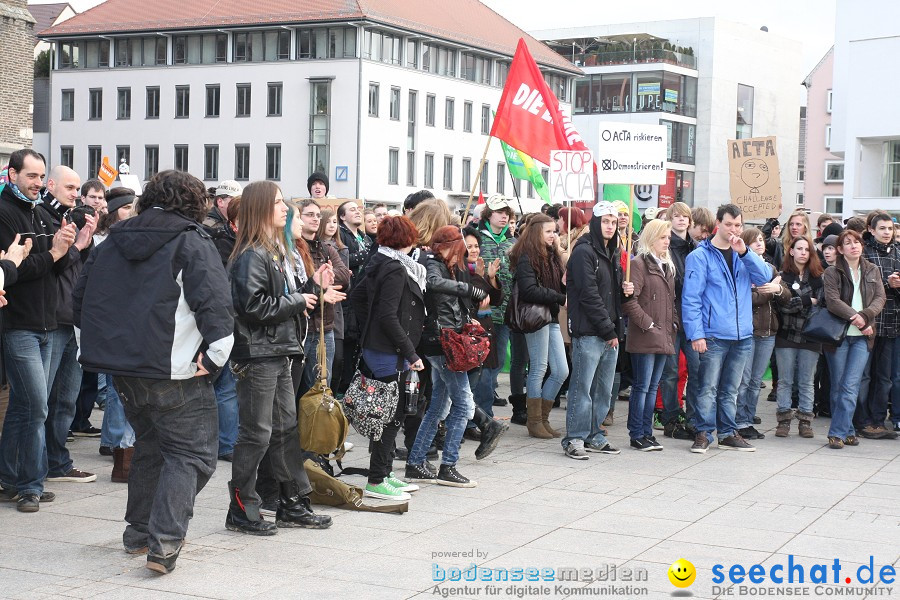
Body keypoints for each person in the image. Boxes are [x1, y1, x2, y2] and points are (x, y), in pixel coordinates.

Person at [73, 170, 234, 573]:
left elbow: (80, 301)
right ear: (195, 202)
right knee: (192, 454)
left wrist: (94, 349)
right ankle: (162, 541)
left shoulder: (111, 241)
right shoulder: (191, 240)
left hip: (122, 369)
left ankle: (140, 533)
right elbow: (215, 303)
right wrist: (216, 356)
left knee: (150, 447)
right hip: (173, 369)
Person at [225, 181, 332, 535]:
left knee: (285, 431)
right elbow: (254, 307)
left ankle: (291, 503)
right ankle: (242, 508)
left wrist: (312, 287)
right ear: (260, 209)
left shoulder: (272, 251)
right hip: (258, 355)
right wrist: (301, 300)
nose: (285, 208)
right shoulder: (251, 255)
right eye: (278, 203)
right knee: (256, 434)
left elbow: (277, 301)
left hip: (277, 351)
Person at [0, 150, 80, 513]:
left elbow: (58, 267)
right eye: (30, 176)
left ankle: (9, 479)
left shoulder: (41, 212)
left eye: (40, 176)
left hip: (49, 324)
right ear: (12, 173)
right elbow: (12, 270)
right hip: (19, 325)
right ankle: (31, 485)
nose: (36, 183)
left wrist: (68, 248)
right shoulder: (5, 212)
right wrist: (53, 254)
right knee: (36, 406)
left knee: (23, 407)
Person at [682, 203, 770, 453]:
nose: (734, 229)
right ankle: (703, 432)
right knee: (707, 387)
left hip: (742, 334)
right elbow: (691, 298)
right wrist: (696, 333)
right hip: (713, 334)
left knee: (731, 389)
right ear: (717, 225)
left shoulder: (743, 253)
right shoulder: (699, 256)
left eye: (738, 225)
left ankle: (728, 432)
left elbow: (764, 277)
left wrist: (745, 253)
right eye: (729, 224)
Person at [350, 215, 426, 498]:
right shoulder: (394, 267)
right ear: (407, 239)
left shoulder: (379, 260)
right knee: (391, 414)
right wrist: (409, 352)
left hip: (383, 346)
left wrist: (368, 328)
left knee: (393, 413)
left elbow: (358, 298)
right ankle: (377, 479)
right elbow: (387, 314)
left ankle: (384, 472)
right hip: (389, 350)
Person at [406, 226, 487, 487]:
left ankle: (416, 462)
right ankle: (448, 466)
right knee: (463, 405)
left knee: (439, 406)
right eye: (459, 250)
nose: (461, 256)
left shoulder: (442, 262)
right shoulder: (431, 261)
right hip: (443, 343)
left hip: (443, 341)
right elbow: (432, 283)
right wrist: (467, 288)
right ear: (447, 246)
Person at [40, 165, 101, 485]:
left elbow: (83, 268)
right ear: (51, 185)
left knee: (65, 399)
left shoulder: (72, 217)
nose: (76, 193)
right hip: (52, 320)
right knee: (44, 400)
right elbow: (56, 265)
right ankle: (39, 465)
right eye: (70, 186)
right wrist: (77, 244)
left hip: (74, 320)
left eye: (78, 187)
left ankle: (57, 460)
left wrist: (86, 240)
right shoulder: (44, 216)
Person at [561, 202, 625, 459]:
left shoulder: (612, 252)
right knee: (582, 387)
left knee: (603, 390)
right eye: (605, 221)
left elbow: (612, 295)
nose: (610, 226)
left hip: (609, 332)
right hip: (589, 331)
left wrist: (626, 293)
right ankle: (574, 438)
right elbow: (588, 295)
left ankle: (593, 433)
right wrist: (608, 330)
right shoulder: (583, 252)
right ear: (595, 222)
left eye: (613, 221)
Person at [824, 230, 885, 449]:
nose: (854, 246)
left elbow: (880, 298)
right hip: (839, 336)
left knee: (850, 386)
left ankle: (837, 433)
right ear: (840, 249)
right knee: (839, 387)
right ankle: (847, 430)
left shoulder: (872, 270)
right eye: (848, 243)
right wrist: (856, 318)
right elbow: (832, 301)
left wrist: (865, 317)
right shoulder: (832, 272)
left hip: (862, 338)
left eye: (857, 242)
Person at [509, 214, 569, 439]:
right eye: (549, 231)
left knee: (561, 370)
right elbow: (529, 290)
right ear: (537, 233)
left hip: (550, 317)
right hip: (535, 317)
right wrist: (559, 297)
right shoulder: (527, 257)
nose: (554, 235)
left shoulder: (552, 256)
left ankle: (542, 418)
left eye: (555, 231)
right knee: (538, 368)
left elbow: (556, 285)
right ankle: (534, 421)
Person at [623, 219, 679, 451]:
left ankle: (646, 432)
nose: (667, 241)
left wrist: (673, 324)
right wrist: (649, 325)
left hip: (663, 335)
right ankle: (637, 433)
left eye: (668, 237)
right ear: (651, 238)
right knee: (642, 386)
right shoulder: (639, 264)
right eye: (663, 237)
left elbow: (671, 302)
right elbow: (630, 301)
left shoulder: (667, 265)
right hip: (646, 336)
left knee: (652, 385)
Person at [286, 199, 349, 397]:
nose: (315, 219)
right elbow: (301, 284)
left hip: (324, 327)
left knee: (321, 391)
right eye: (309, 215)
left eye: (318, 215)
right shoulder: (291, 250)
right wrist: (321, 288)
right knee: (295, 392)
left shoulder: (326, 248)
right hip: (301, 329)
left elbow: (343, 276)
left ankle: (312, 429)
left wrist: (323, 279)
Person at [735, 227, 789, 440]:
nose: (759, 243)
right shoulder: (740, 267)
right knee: (744, 380)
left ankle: (748, 418)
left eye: (761, 240)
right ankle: (739, 421)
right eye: (754, 240)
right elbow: (748, 299)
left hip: (768, 331)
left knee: (756, 380)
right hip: (748, 331)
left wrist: (778, 289)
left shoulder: (770, 268)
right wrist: (768, 290)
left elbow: (786, 296)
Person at [774, 237, 824, 438]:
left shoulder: (818, 277)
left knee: (806, 381)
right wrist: (806, 300)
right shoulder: (782, 276)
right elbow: (782, 305)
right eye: (799, 248)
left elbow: (820, 305)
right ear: (791, 251)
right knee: (785, 380)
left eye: (807, 249)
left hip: (811, 336)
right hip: (786, 334)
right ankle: (784, 420)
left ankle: (805, 420)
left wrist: (798, 303)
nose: (803, 252)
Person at [856, 211, 900, 439]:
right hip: (867, 324)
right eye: (882, 228)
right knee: (863, 376)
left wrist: (897, 285)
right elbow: (860, 286)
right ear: (871, 230)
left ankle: (877, 420)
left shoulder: (899, 253)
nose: (886, 233)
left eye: (889, 229)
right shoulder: (864, 252)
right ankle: (861, 421)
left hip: (892, 324)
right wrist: (887, 282)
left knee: (885, 377)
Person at [660, 202, 700, 439]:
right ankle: (671, 419)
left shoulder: (696, 248)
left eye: (685, 216)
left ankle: (694, 419)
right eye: (676, 216)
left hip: (693, 320)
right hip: (672, 319)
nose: (681, 220)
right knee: (671, 372)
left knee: (697, 370)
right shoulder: (665, 248)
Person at [476, 196, 518, 418]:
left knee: (497, 362)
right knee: (482, 363)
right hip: (481, 312)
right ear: (488, 215)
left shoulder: (513, 243)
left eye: (507, 214)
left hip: (504, 313)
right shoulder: (478, 240)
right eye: (499, 212)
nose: (504, 217)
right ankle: (483, 413)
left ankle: (484, 407)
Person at [335, 199, 371, 394]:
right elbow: (344, 261)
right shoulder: (341, 235)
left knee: (359, 343)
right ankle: (343, 387)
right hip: (348, 298)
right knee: (348, 344)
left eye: (358, 209)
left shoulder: (365, 237)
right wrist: (366, 256)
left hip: (364, 297)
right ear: (342, 216)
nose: (357, 212)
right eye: (352, 210)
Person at [317, 208, 350, 398]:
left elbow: (344, 279)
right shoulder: (318, 246)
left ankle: (333, 398)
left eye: (334, 222)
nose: (332, 225)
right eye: (327, 221)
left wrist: (330, 276)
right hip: (320, 310)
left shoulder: (340, 248)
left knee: (337, 360)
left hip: (336, 307)